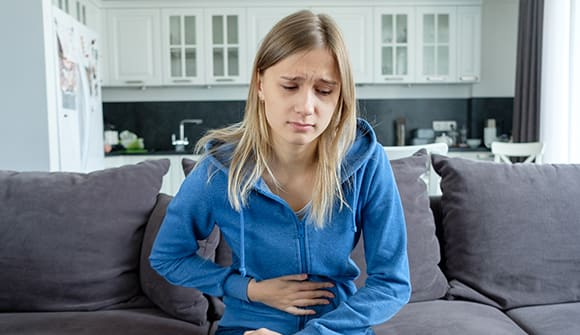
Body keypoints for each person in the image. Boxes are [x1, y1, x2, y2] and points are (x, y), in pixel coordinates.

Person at [150, 10, 411, 335]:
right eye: (290, 86)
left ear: (340, 97)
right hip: (249, 327)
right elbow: (168, 256)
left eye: (325, 91)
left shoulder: (367, 163)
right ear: (260, 85)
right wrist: (247, 289)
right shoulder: (218, 170)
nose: (306, 106)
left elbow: (393, 283)